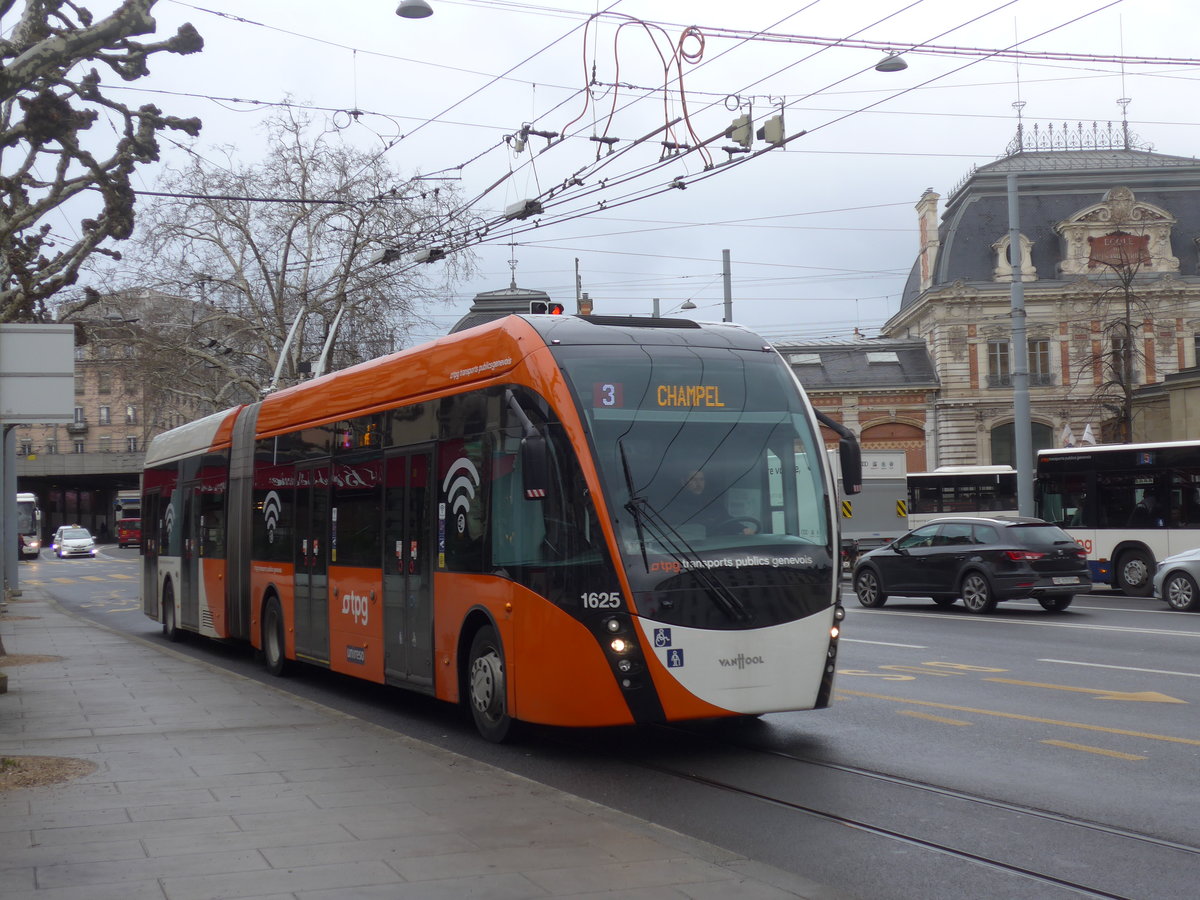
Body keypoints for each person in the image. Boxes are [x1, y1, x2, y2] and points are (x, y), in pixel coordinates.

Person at [679, 469, 756, 535]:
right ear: (683, 482)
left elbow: (726, 519)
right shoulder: (676, 505)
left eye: (701, 479)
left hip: (717, 544)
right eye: (693, 479)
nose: (698, 483)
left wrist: (743, 529)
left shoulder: (712, 502)